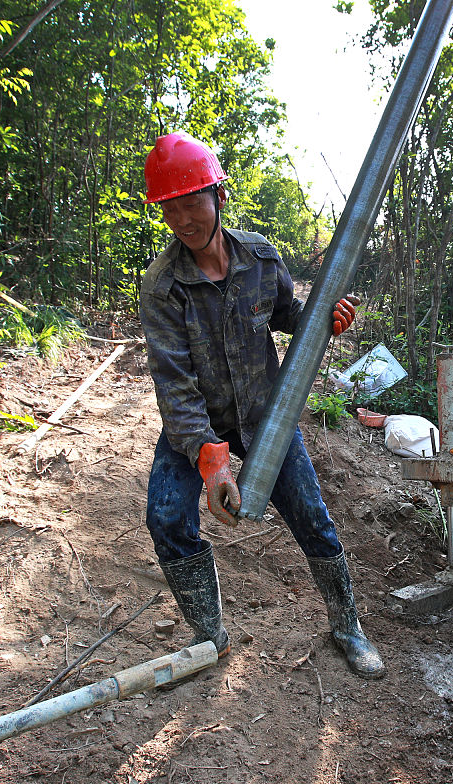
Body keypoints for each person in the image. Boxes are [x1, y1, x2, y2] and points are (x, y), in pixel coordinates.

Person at [139, 131, 385, 679]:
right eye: (170, 208)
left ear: (218, 197)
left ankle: (347, 625)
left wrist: (326, 320)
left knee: (312, 518)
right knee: (166, 516)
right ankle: (212, 636)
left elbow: (290, 319)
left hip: (265, 419)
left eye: (192, 202)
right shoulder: (161, 287)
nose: (183, 219)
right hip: (197, 428)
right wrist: (211, 460)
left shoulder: (260, 259)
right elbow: (175, 388)